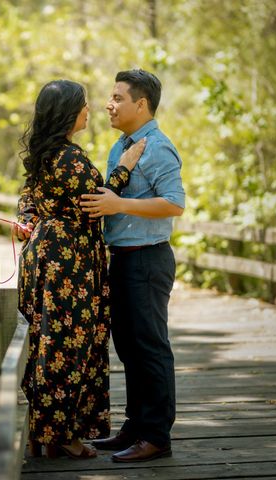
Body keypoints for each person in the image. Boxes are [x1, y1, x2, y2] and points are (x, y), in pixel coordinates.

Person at [14, 79, 145, 459]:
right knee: (66, 346)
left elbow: (28, 197)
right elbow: (95, 200)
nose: (91, 110)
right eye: (84, 104)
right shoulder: (68, 157)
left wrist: (26, 218)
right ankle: (62, 436)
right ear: (70, 112)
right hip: (67, 262)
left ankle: (44, 432)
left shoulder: (44, 152)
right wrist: (123, 167)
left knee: (45, 342)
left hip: (45, 255)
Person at [80, 69, 185, 463]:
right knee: (128, 346)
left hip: (148, 257)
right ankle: (135, 426)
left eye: (118, 97)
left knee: (150, 347)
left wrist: (119, 204)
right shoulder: (121, 146)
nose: (110, 104)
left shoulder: (157, 147)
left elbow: (174, 203)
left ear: (141, 104)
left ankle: (156, 436)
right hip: (122, 257)